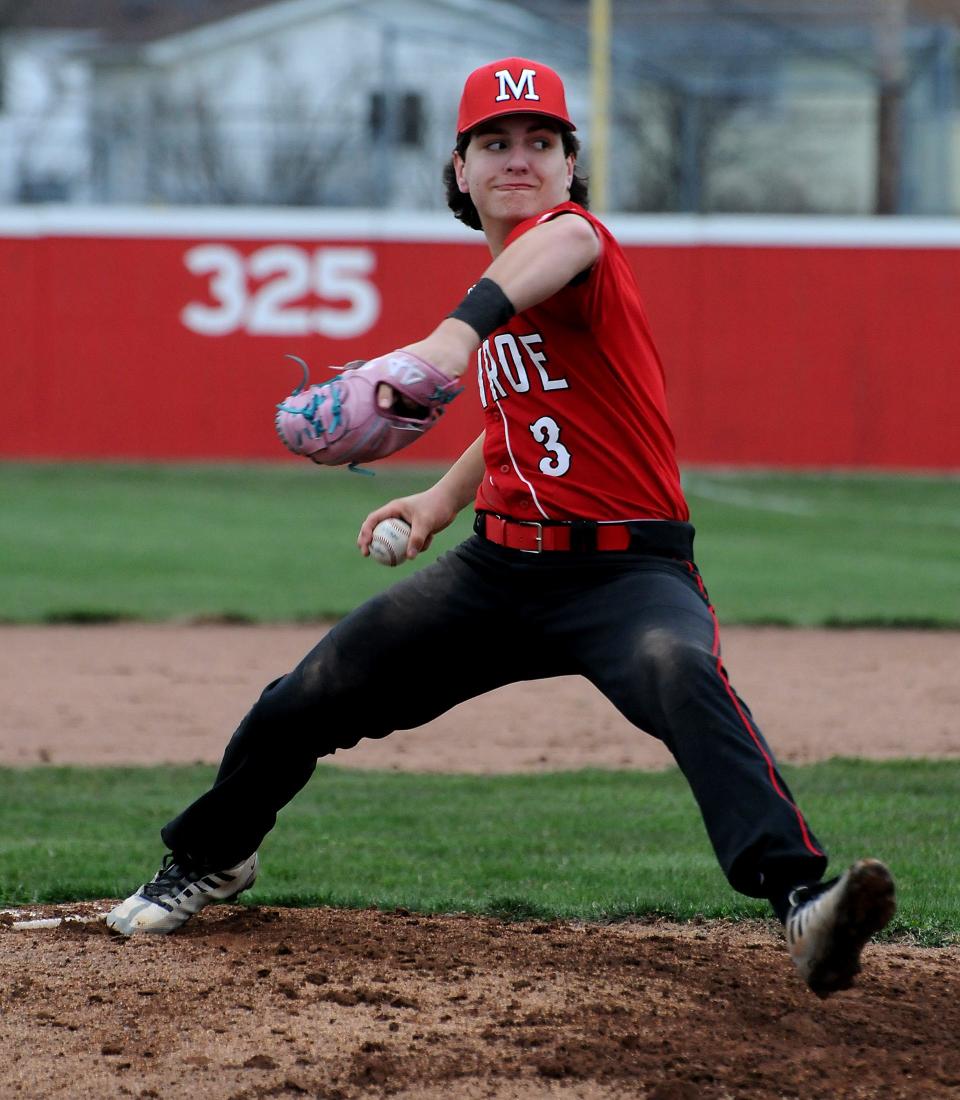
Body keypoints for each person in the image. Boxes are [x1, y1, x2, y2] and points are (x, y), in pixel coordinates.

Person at [107, 57, 895, 998]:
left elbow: (541, 264)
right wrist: (438, 503)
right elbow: (517, 424)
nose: (518, 158)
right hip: (497, 572)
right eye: (494, 142)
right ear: (459, 170)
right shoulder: (504, 293)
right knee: (306, 695)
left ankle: (803, 902)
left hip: (627, 573)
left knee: (683, 676)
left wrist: (446, 343)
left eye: (541, 141)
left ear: (571, 168)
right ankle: (214, 856)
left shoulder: (575, 243)